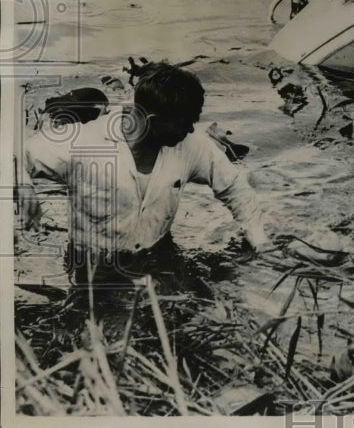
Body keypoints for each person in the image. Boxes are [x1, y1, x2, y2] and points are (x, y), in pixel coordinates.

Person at [17, 62, 271, 297]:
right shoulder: (82, 142)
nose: (192, 130)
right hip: (95, 263)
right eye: (185, 123)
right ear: (153, 121)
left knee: (196, 312)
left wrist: (259, 242)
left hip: (159, 252)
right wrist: (24, 185)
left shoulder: (191, 145)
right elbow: (12, 155)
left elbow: (235, 188)